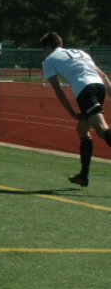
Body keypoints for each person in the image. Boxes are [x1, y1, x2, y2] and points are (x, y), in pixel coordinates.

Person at [41, 31, 111, 187]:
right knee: (82, 130)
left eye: (44, 49)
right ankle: (83, 176)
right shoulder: (81, 53)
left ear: (47, 47)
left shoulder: (49, 60)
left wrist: (71, 113)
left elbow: (58, 90)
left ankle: (84, 176)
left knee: (102, 130)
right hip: (99, 87)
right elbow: (104, 76)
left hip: (85, 90)